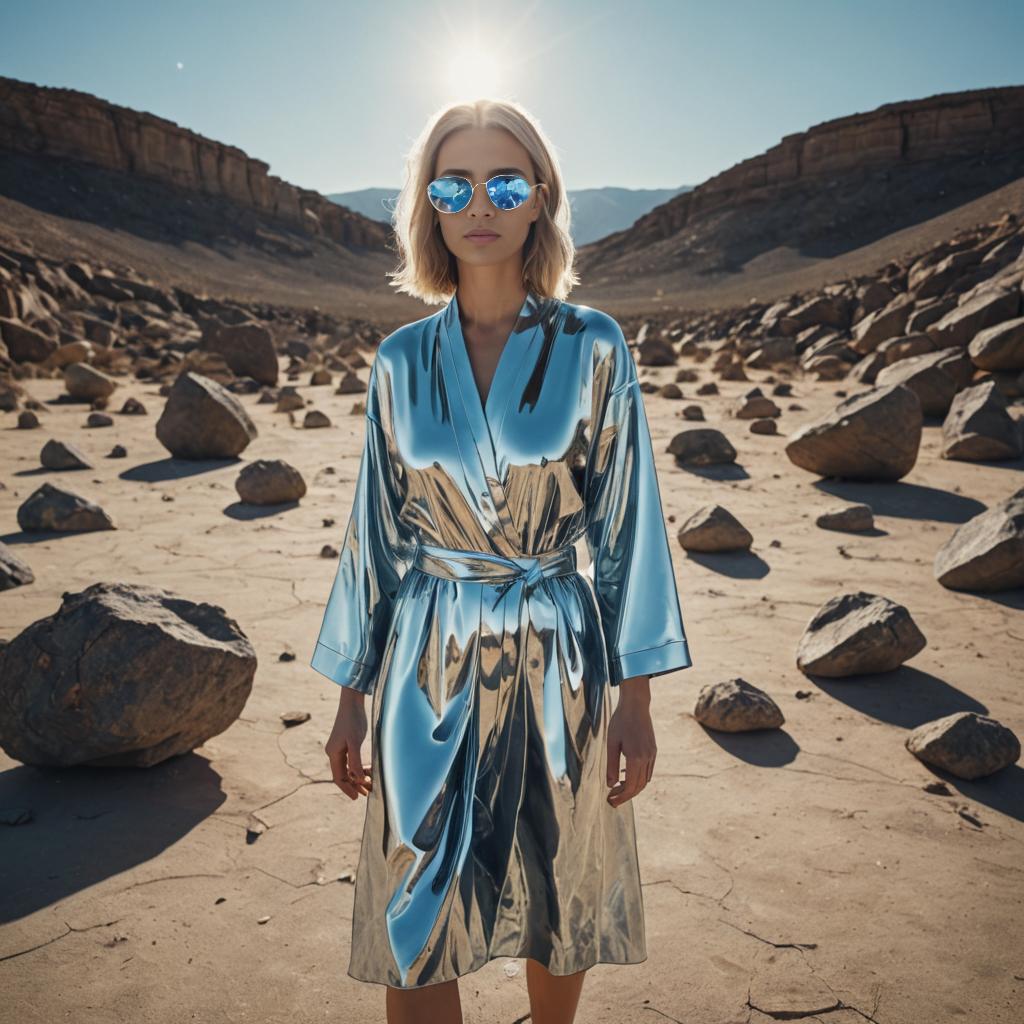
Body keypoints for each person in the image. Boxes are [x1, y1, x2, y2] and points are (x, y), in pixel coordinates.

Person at [311, 97, 692, 1024]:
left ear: (539, 200)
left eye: (504, 182)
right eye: (454, 184)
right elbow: (377, 532)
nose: (479, 201)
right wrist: (351, 693)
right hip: (427, 654)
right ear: (431, 208)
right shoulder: (401, 360)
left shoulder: (594, 345)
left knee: (560, 888)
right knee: (417, 907)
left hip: (559, 647)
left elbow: (627, 525)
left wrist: (635, 701)